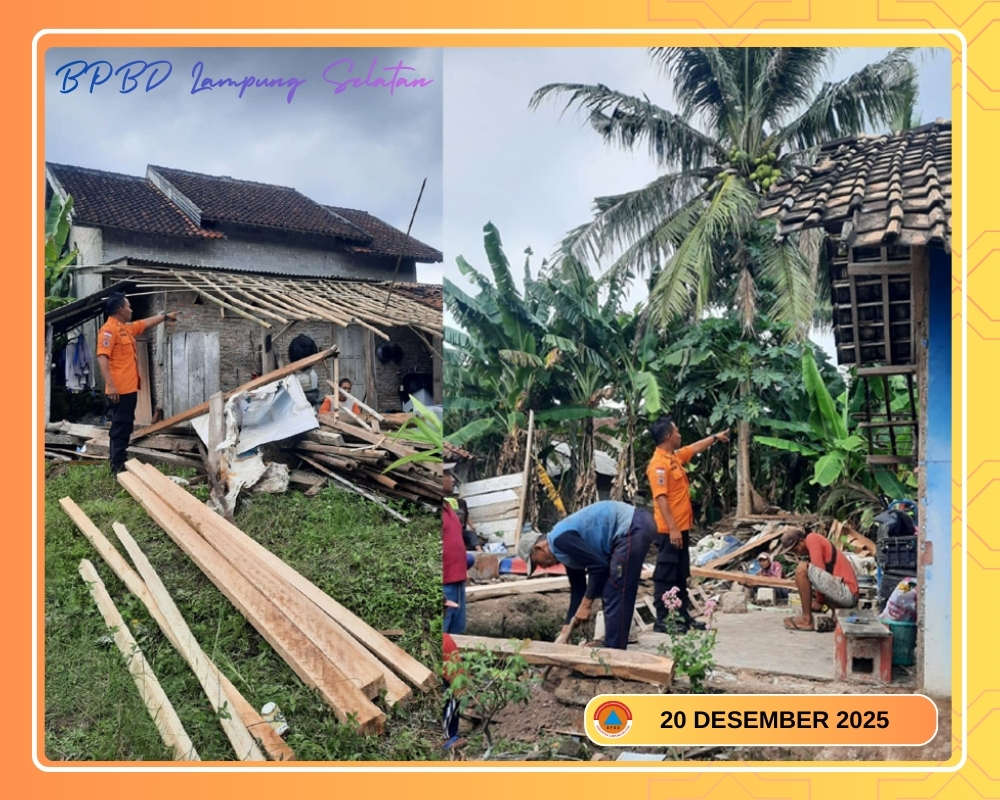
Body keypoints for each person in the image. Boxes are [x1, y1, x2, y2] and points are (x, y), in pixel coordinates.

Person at [516, 500, 657, 650]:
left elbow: (599, 567)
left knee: (614, 589)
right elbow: (579, 589)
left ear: (539, 549)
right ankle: (615, 644)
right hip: (635, 527)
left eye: (537, 563)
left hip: (633, 526)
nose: (542, 567)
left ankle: (614, 652)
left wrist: (586, 604)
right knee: (615, 588)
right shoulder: (564, 551)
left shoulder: (561, 540)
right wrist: (566, 630)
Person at [645, 415, 729, 633]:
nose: (680, 435)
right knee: (665, 576)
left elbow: (693, 448)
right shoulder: (658, 465)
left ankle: (682, 617)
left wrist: (714, 438)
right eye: (677, 431)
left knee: (681, 575)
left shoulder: (673, 458)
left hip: (680, 530)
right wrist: (673, 528)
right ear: (669, 436)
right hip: (668, 532)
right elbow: (661, 498)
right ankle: (663, 620)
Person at [96, 293, 178, 474]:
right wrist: (112, 386)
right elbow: (102, 358)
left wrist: (165, 317)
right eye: (128, 306)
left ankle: (120, 461)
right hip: (119, 391)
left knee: (125, 425)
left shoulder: (124, 328)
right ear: (120, 310)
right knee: (119, 427)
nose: (131, 309)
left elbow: (145, 323)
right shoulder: (108, 330)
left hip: (129, 389)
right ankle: (117, 468)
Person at [780, 527, 859, 631]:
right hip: (843, 592)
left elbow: (819, 570)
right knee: (807, 589)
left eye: (795, 550)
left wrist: (819, 601)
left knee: (802, 569)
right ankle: (834, 615)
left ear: (801, 541)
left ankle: (806, 620)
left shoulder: (812, 539)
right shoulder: (812, 543)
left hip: (847, 592)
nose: (796, 554)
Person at [442, 471, 468, 634]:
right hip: (444, 583)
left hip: (458, 580)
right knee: (443, 631)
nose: (453, 479)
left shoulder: (449, 507)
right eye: (446, 475)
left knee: (457, 631)